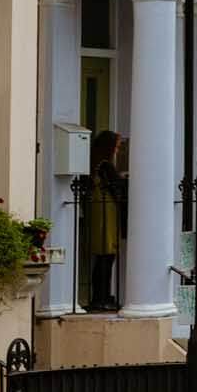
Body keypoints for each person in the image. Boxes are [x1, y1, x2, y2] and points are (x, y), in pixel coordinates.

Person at [87, 130, 125, 311]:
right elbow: (117, 185)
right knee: (107, 256)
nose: (117, 150)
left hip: (99, 211)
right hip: (106, 212)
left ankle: (100, 296)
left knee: (102, 256)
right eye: (116, 147)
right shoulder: (105, 165)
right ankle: (102, 297)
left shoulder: (96, 164)